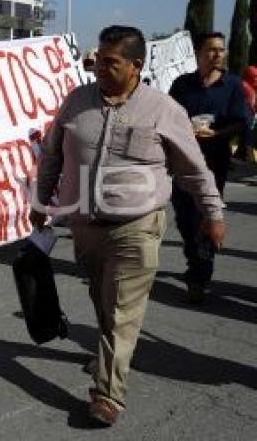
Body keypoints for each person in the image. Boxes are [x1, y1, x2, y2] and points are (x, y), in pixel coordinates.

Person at [31, 25, 225, 426]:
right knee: (103, 301)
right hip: (84, 227)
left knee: (121, 309)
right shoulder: (76, 101)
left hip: (136, 227)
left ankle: (107, 395)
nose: (98, 67)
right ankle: (108, 357)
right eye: (98, 59)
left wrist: (214, 213)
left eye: (110, 62)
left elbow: (194, 169)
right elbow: (51, 155)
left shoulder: (163, 110)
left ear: (136, 65)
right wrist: (41, 200)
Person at [168, 32, 249, 304]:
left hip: (215, 162)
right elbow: (167, 116)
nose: (218, 55)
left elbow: (242, 122)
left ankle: (199, 275)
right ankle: (196, 258)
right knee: (184, 217)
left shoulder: (233, 86)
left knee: (206, 214)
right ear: (198, 53)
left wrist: (218, 134)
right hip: (182, 161)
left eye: (221, 50)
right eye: (211, 50)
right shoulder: (182, 85)